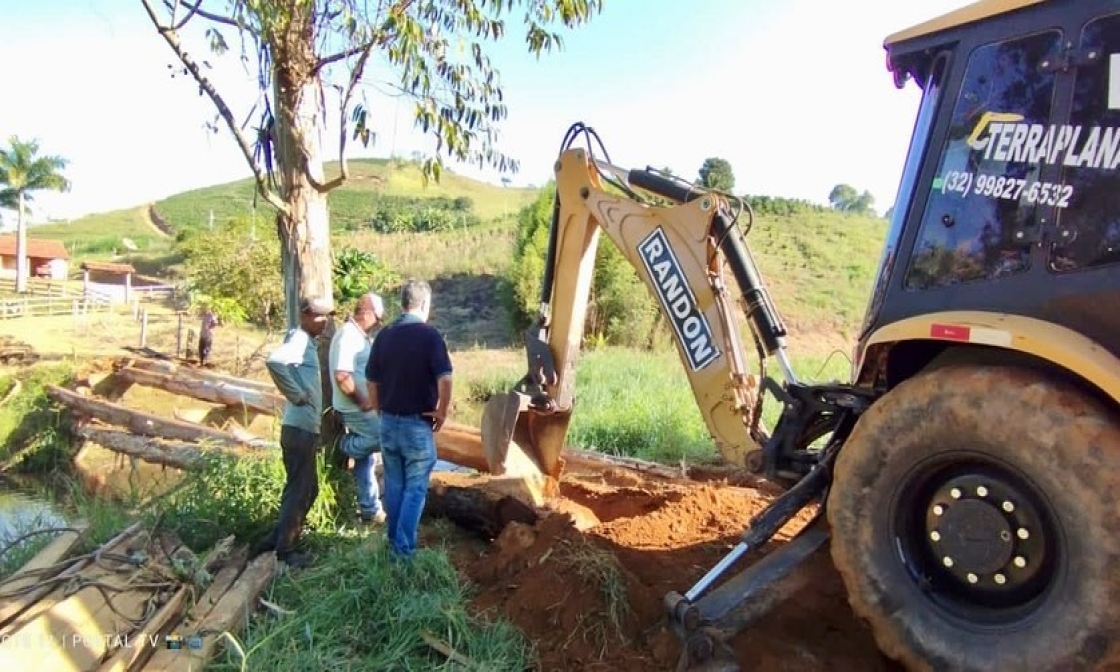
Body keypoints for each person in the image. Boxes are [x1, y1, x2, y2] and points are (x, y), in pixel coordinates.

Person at [365, 278, 453, 560]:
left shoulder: (384, 335)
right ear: (424, 304)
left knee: (394, 483)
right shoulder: (430, 336)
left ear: (402, 304)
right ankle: (402, 552)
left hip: (389, 422)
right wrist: (442, 411)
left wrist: (379, 408)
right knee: (415, 488)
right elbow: (445, 378)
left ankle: (393, 541)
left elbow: (371, 379)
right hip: (417, 424)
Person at [260, 295, 335, 569]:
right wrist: (296, 394)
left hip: (301, 429)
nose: (323, 320)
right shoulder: (300, 340)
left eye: (326, 315)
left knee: (306, 488)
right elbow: (275, 362)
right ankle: (286, 550)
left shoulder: (307, 342)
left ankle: (278, 537)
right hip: (299, 428)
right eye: (317, 315)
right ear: (303, 316)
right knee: (301, 489)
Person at [329, 291, 387, 525]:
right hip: (353, 407)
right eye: (378, 319)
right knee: (384, 437)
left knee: (367, 459)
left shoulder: (359, 336)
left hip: (361, 405)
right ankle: (343, 447)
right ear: (367, 313)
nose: (378, 324)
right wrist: (364, 402)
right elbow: (343, 375)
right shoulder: (348, 335)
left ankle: (369, 509)